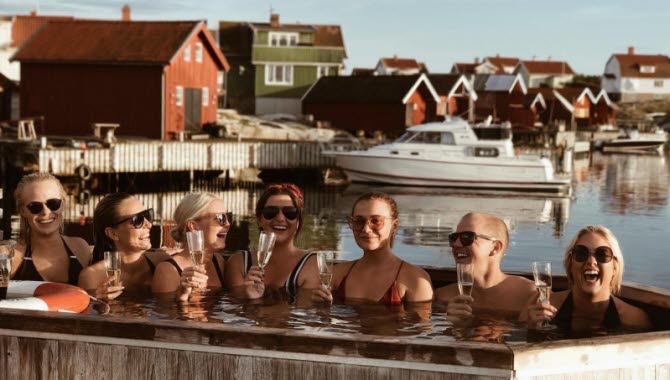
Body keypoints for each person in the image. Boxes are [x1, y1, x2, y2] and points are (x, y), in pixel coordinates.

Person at [523, 225, 652, 334]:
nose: (591, 261)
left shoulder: (634, 320)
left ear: (614, 268)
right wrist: (533, 332)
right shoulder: (540, 309)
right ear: (570, 265)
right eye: (581, 254)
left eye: (602, 254)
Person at [311, 192, 433, 305]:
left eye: (376, 221)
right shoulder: (336, 275)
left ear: (394, 226)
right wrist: (320, 308)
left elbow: (421, 327)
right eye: (359, 221)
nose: (366, 229)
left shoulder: (415, 280)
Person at [225, 183, 320, 300]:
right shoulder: (238, 262)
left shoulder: (312, 264)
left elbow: (303, 314)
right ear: (259, 219)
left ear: (298, 222)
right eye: (270, 212)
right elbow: (233, 310)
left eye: (290, 212)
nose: (280, 218)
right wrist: (248, 297)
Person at [435, 212, 536, 322]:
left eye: (467, 237)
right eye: (453, 238)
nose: (456, 244)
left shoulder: (529, 294)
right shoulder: (442, 297)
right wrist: (452, 327)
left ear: (495, 248)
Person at [78, 193, 170, 300]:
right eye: (137, 220)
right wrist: (100, 305)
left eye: (147, 215)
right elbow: (86, 314)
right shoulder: (92, 276)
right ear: (113, 234)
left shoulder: (162, 263)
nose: (149, 225)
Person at [10, 172, 90, 284]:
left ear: (62, 205)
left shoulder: (80, 248)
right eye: (35, 207)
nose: (46, 212)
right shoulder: (12, 256)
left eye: (53, 203)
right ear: (23, 211)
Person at [151, 192, 229, 301]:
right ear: (193, 226)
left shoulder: (218, 261)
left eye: (227, 217)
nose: (227, 223)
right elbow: (166, 315)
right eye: (221, 218)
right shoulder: (167, 271)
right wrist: (183, 296)